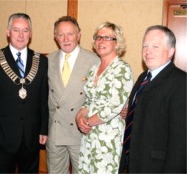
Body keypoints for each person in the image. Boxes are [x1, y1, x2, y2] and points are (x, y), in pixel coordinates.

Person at [0, 13, 48, 173]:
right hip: (3, 135)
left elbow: (43, 98)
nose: (21, 35)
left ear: (31, 34)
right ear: (8, 32)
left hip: (32, 135)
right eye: (16, 30)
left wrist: (43, 129)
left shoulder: (41, 60)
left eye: (25, 30)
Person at [119, 25, 186, 173]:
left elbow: (180, 142)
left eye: (155, 46)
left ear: (171, 52)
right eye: (145, 46)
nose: (148, 51)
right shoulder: (143, 77)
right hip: (134, 161)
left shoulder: (181, 82)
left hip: (157, 167)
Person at [75, 22, 134, 174]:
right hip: (89, 136)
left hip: (108, 137)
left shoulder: (122, 69)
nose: (101, 41)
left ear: (117, 43)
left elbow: (114, 107)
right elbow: (88, 99)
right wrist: (80, 115)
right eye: (98, 37)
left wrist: (87, 122)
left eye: (107, 38)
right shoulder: (94, 68)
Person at [46, 16, 99, 174]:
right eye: (60, 34)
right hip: (55, 131)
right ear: (55, 37)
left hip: (81, 131)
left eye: (70, 34)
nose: (66, 39)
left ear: (79, 34)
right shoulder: (48, 60)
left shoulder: (94, 61)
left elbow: (100, 97)